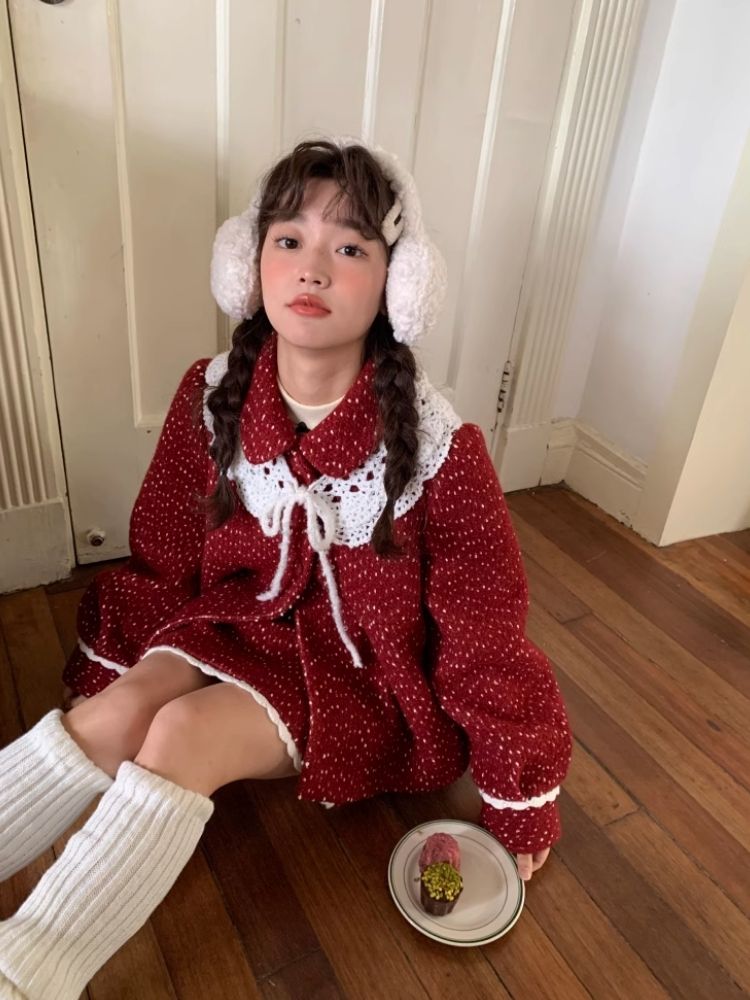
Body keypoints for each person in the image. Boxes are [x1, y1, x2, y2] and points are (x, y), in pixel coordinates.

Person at [0, 135, 572, 998]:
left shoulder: (441, 451)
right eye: (289, 240)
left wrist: (517, 792)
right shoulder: (212, 396)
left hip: (357, 679)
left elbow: (483, 630)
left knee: (181, 735)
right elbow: (164, 550)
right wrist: (111, 664)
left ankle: (25, 975)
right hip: (231, 625)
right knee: (123, 709)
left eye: (351, 248)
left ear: (398, 285)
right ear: (250, 262)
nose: (313, 268)